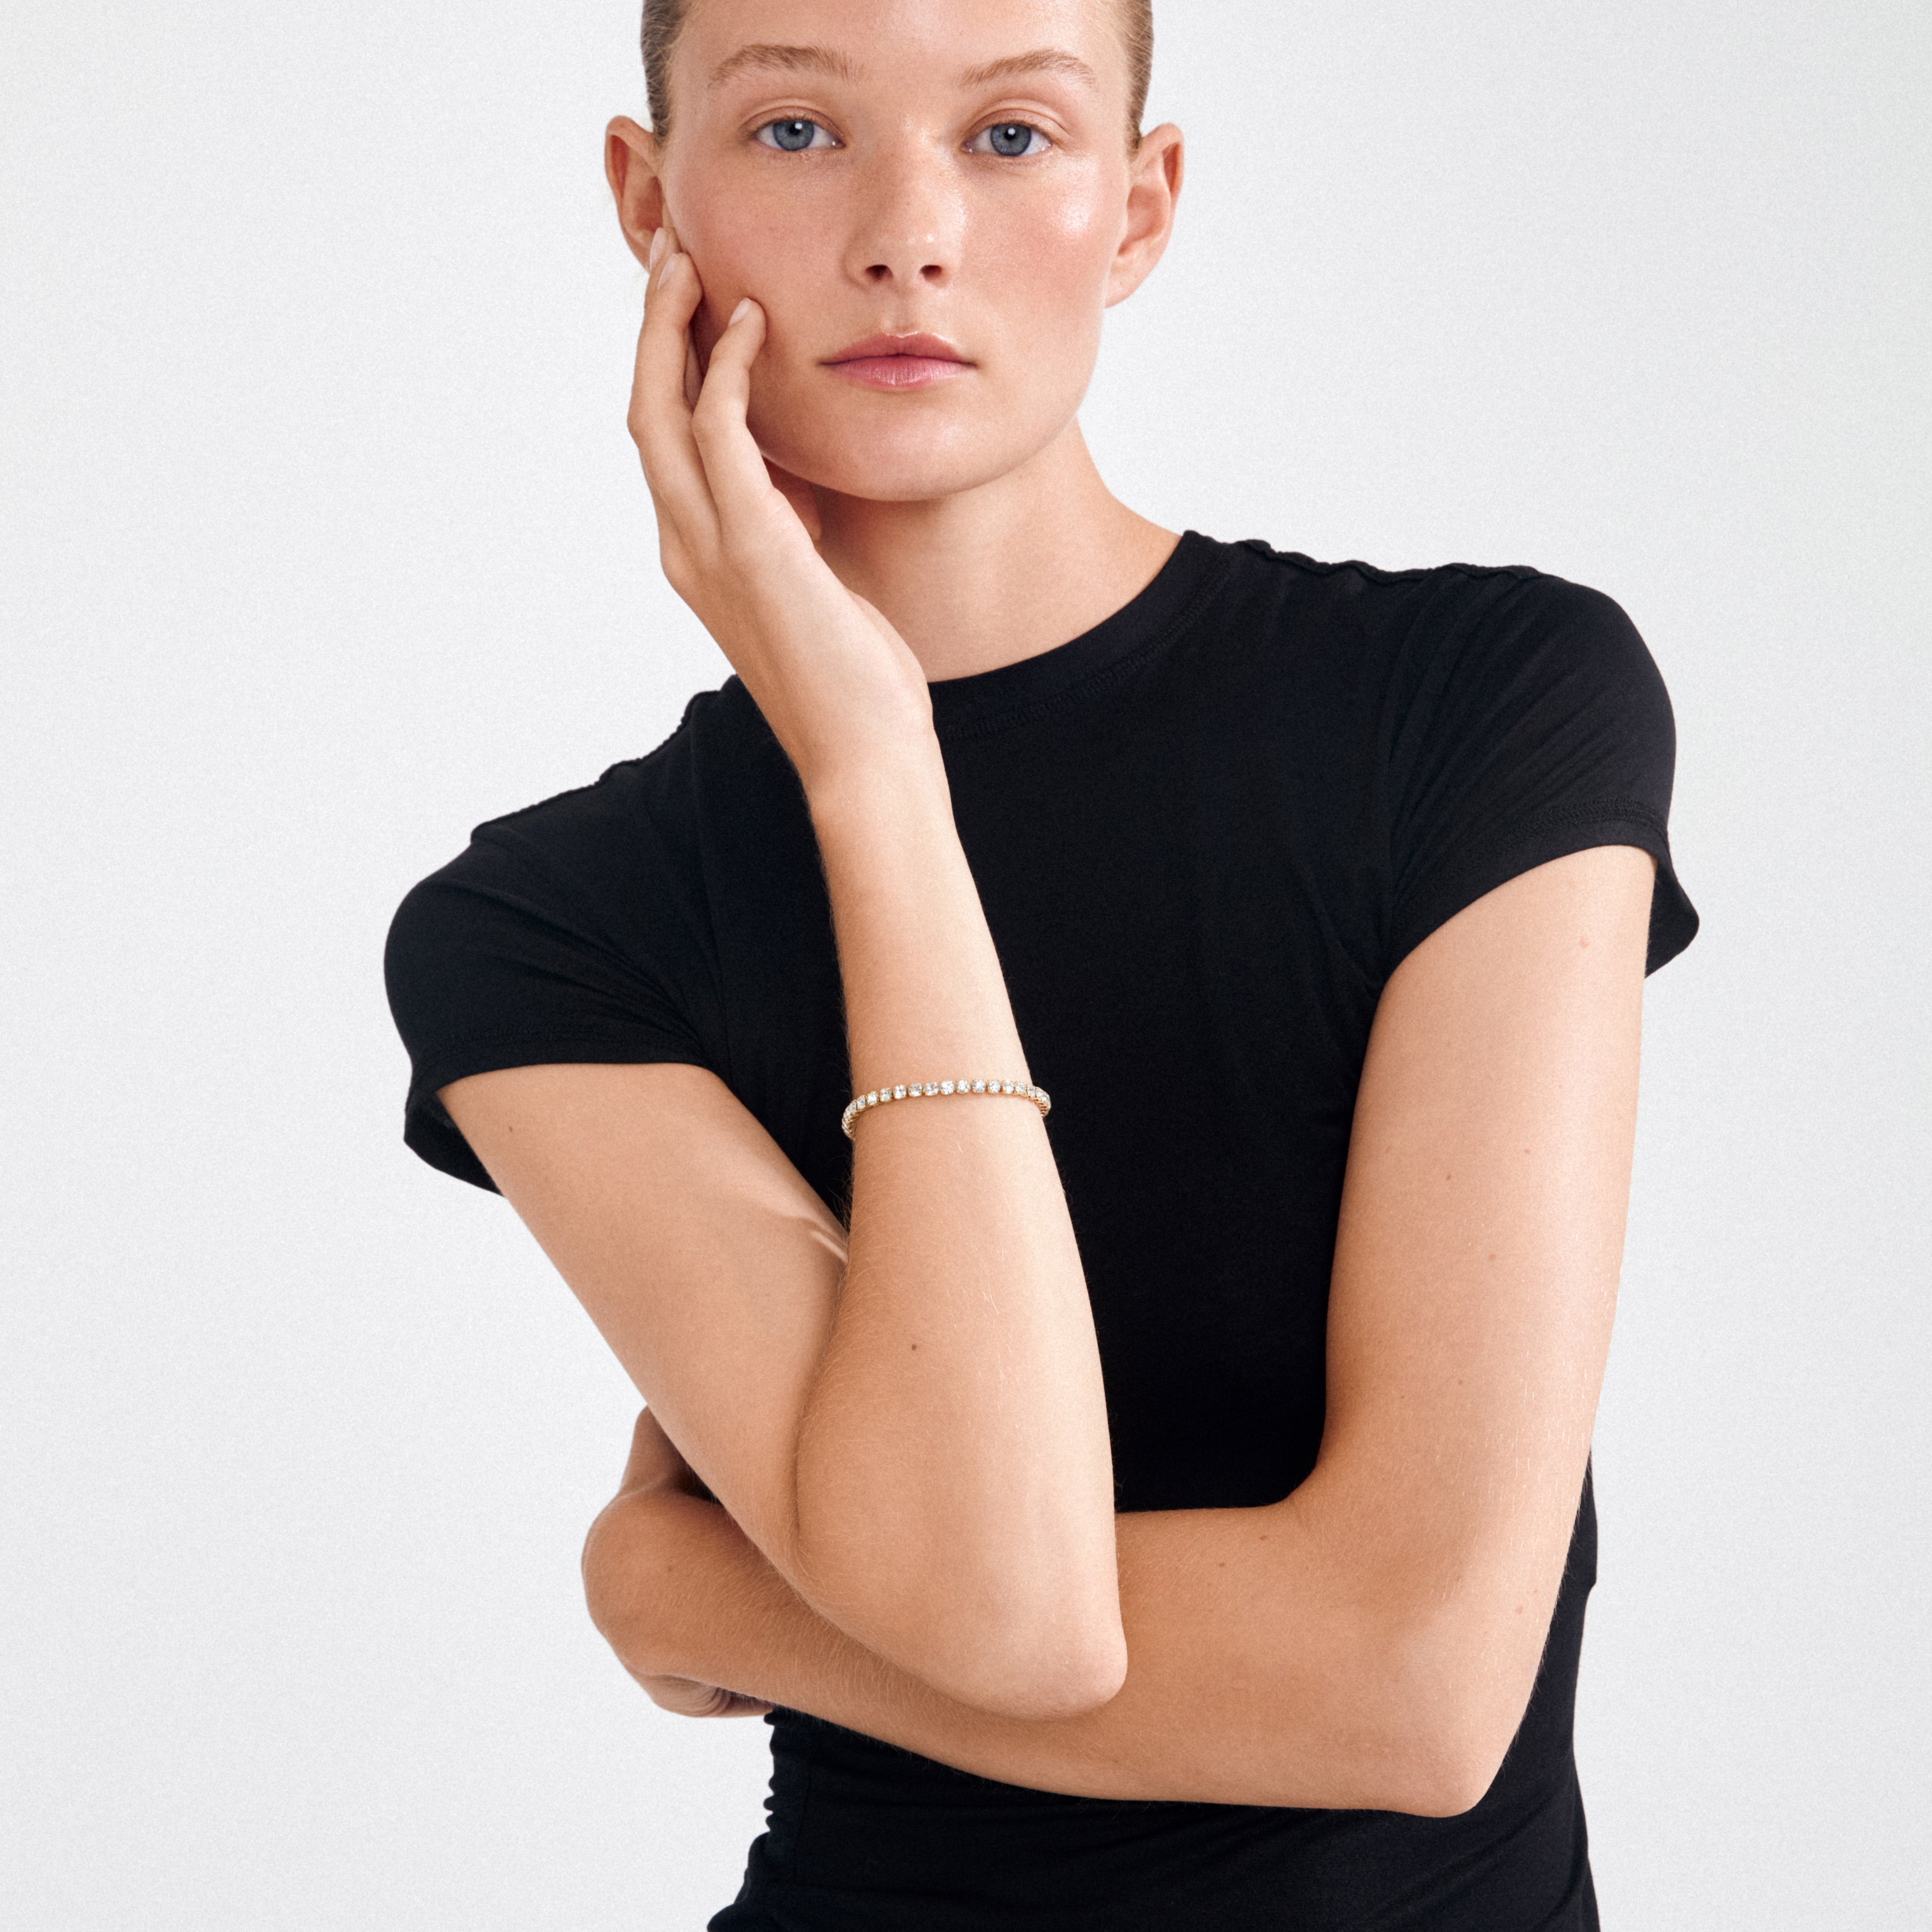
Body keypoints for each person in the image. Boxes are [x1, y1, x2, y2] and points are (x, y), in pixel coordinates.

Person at [383, 1, 1699, 1924]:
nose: (906, 232)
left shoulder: (1480, 709)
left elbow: (1412, 1692)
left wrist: (695, 1582)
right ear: (647, 201)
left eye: (1010, 137)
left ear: (1139, 206)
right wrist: (867, 762)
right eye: (795, 133)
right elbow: (997, 1602)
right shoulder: (551, 930)